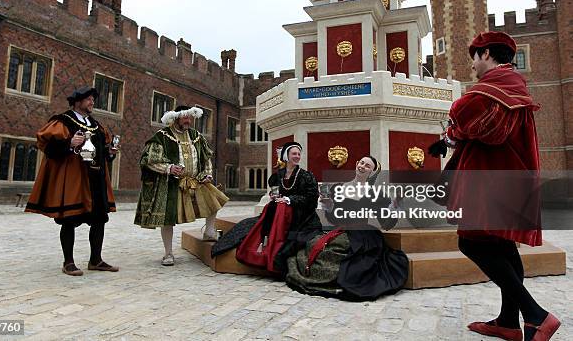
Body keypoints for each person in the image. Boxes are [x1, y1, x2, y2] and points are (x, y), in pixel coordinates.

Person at [428, 31, 560, 341]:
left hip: (491, 181)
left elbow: (471, 116)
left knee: (471, 242)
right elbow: (483, 127)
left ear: (487, 54)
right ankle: (508, 321)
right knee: (502, 245)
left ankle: (536, 315)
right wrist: (450, 139)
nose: (472, 65)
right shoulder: (510, 85)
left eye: (474, 57)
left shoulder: (498, 86)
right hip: (506, 178)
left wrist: (454, 126)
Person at [286, 155, 408, 300]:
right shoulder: (339, 187)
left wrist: (394, 205)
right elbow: (334, 219)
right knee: (313, 243)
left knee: (341, 252)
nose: (362, 166)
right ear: (357, 164)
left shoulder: (375, 193)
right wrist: (330, 205)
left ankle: (338, 280)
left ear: (372, 172)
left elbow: (386, 223)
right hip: (341, 230)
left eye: (367, 166)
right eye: (361, 163)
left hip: (362, 234)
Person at [25, 87, 119, 276]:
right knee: (69, 219)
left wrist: (110, 153)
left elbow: (102, 152)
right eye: (88, 99)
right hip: (74, 178)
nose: (92, 102)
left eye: (93, 99)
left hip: (96, 178)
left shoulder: (96, 125)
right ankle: (68, 262)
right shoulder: (63, 121)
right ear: (77, 102)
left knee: (99, 220)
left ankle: (96, 260)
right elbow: (48, 147)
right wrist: (69, 144)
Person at [134, 105, 228, 266]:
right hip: (172, 183)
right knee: (167, 219)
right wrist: (169, 168)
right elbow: (149, 160)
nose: (188, 121)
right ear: (175, 118)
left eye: (190, 118)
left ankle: (209, 231)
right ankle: (168, 253)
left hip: (195, 180)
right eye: (185, 118)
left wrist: (207, 174)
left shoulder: (196, 136)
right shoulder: (162, 136)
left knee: (214, 199)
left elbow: (206, 158)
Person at [212, 142, 321, 274]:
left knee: (281, 207)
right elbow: (275, 192)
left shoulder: (306, 176)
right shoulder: (278, 176)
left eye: (298, 154)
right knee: (271, 208)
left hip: (300, 215)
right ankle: (263, 242)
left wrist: (289, 199)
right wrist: (275, 196)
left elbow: (311, 199)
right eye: (294, 153)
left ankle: (274, 247)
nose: (297, 156)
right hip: (279, 211)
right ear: (287, 156)